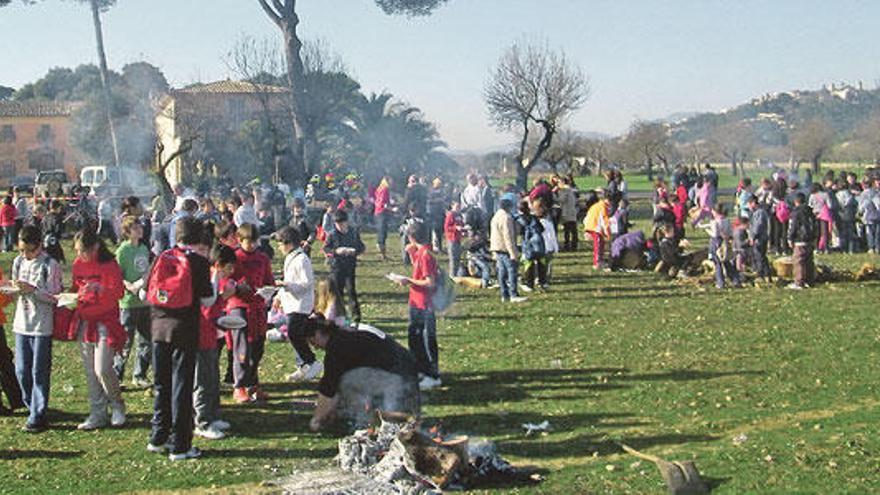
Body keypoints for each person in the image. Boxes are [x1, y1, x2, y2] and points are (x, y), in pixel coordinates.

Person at [146, 216, 215, 460]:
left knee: (161, 383)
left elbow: (148, 290)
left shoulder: (162, 257)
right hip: (184, 329)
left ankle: (158, 435)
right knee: (182, 385)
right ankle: (181, 444)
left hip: (158, 327)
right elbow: (207, 300)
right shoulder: (198, 262)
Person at [304, 315, 419, 432]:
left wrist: (316, 420)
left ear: (318, 333)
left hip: (397, 376)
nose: (315, 348)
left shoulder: (336, 348)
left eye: (312, 342)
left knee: (348, 382)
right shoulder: (344, 334)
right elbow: (332, 386)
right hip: (404, 369)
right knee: (348, 381)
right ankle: (373, 417)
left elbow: (328, 390)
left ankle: (361, 422)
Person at [70, 228, 127, 430]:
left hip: (106, 320)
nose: (79, 255)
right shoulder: (78, 265)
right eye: (77, 251)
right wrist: (71, 298)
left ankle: (117, 405)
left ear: (94, 247)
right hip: (85, 320)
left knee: (102, 368)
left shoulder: (109, 264)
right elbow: (75, 289)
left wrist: (101, 289)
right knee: (90, 371)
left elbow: (119, 292)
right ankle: (97, 413)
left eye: (82, 251)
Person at [11, 225, 62, 431]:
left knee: (38, 371)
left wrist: (33, 291)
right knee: (22, 370)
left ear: (39, 246)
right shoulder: (18, 262)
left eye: (30, 250)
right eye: (22, 250)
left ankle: (38, 415)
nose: (26, 255)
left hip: (42, 325)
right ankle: (31, 404)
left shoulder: (50, 264)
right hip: (21, 323)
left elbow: (55, 297)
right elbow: (16, 287)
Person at [226, 223, 274, 403]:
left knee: (258, 347)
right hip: (239, 306)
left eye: (255, 242)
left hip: (258, 307)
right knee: (242, 348)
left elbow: (269, 280)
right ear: (240, 240)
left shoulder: (263, 258)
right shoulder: (233, 258)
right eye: (248, 242)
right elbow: (225, 281)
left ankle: (253, 384)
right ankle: (239, 386)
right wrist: (238, 287)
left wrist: (269, 290)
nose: (252, 245)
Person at [192, 240, 232, 441]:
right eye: (228, 267)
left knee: (213, 377)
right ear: (218, 264)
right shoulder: (207, 277)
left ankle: (214, 414)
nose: (230, 272)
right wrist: (224, 297)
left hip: (212, 335)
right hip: (200, 334)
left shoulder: (215, 277)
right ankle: (202, 421)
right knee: (202, 380)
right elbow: (206, 308)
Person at [397, 222, 440, 391]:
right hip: (416, 302)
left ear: (412, 237)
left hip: (425, 304)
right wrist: (412, 253)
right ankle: (421, 370)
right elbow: (420, 271)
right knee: (414, 339)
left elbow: (429, 282)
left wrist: (408, 281)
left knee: (426, 340)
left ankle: (433, 375)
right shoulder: (420, 253)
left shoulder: (426, 255)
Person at [274, 227, 321, 382]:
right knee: (297, 334)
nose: (279, 247)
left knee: (294, 333)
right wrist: (279, 296)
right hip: (291, 303)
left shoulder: (302, 259)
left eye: (280, 244)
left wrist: (287, 285)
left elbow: (307, 283)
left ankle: (311, 361)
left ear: (288, 243)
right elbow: (286, 279)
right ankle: (303, 365)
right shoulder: (290, 258)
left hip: (301, 304)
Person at [114, 216, 153, 388]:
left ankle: (140, 375)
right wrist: (128, 285)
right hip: (128, 303)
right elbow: (117, 274)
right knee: (125, 341)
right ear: (128, 232)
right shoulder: (123, 250)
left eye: (140, 227)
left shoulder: (144, 248)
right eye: (136, 228)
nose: (140, 230)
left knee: (146, 340)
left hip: (144, 302)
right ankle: (117, 376)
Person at [322, 209, 365, 324]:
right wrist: (336, 251)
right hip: (336, 267)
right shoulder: (332, 234)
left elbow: (361, 246)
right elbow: (326, 249)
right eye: (337, 224)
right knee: (337, 292)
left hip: (350, 266)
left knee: (351, 291)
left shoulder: (353, 232)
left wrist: (355, 251)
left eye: (342, 223)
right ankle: (339, 315)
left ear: (347, 222)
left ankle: (356, 316)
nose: (340, 226)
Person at [490, 198, 526, 303]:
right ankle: (513, 294)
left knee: (501, 272)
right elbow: (508, 236)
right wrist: (513, 253)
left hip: (496, 247)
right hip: (505, 247)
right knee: (512, 271)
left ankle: (504, 294)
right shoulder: (506, 218)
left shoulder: (496, 216)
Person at [700, 204, 742, 289]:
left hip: (716, 243)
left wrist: (707, 230)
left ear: (715, 212)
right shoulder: (727, 220)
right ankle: (735, 280)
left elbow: (715, 234)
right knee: (726, 261)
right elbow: (730, 232)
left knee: (717, 263)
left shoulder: (714, 222)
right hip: (725, 242)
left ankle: (720, 282)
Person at [787, 192, 816, 290]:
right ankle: (809, 280)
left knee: (799, 261)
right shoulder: (809, 211)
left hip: (800, 239)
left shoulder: (796, 212)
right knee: (809, 261)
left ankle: (799, 282)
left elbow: (793, 226)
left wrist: (790, 238)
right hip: (810, 239)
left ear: (795, 201)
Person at [583, 190, 611, 270]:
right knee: (598, 245)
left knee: (600, 244)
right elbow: (605, 221)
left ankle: (600, 260)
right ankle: (597, 262)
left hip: (591, 225)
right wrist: (608, 234)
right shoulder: (603, 207)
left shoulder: (598, 205)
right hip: (594, 227)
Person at [747, 195, 772, 283]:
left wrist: (753, 237)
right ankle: (766, 275)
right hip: (759, 238)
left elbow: (758, 226)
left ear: (753, 203)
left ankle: (762, 274)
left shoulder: (759, 213)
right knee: (761, 257)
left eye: (749, 204)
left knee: (760, 257)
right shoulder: (757, 212)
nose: (749, 207)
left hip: (760, 239)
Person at [444, 200, 465, 277]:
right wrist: (455, 228)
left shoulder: (459, 215)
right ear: (452, 206)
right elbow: (446, 227)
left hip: (458, 238)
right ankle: (452, 276)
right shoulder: (450, 215)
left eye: (459, 206)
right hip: (451, 239)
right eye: (456, 206)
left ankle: (456, 274)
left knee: (458, 258)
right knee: (453, 258)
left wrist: (463, 229)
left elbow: (461, 223)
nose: (458, 208)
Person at [373, 176, 392, 261]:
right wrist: (392, 209)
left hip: (377, 213)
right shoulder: (385, 189)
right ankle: (382, 255)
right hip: (382, 213)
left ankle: (382, 254)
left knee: (381, 234)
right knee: (382, 235)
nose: (392, 182)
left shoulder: (379, 188)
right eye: (391, 181)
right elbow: (383, 203)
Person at [557, 177, 578, 251]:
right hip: (572, 212)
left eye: (559, 183)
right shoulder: (571, 189)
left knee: (567, 231)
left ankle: (567, 246)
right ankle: (574, 246)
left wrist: (555, 196)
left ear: (562, 182)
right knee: (573, 230)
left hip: (567, 213)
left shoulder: (565, 190)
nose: (558, 184)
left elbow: (561, 200)